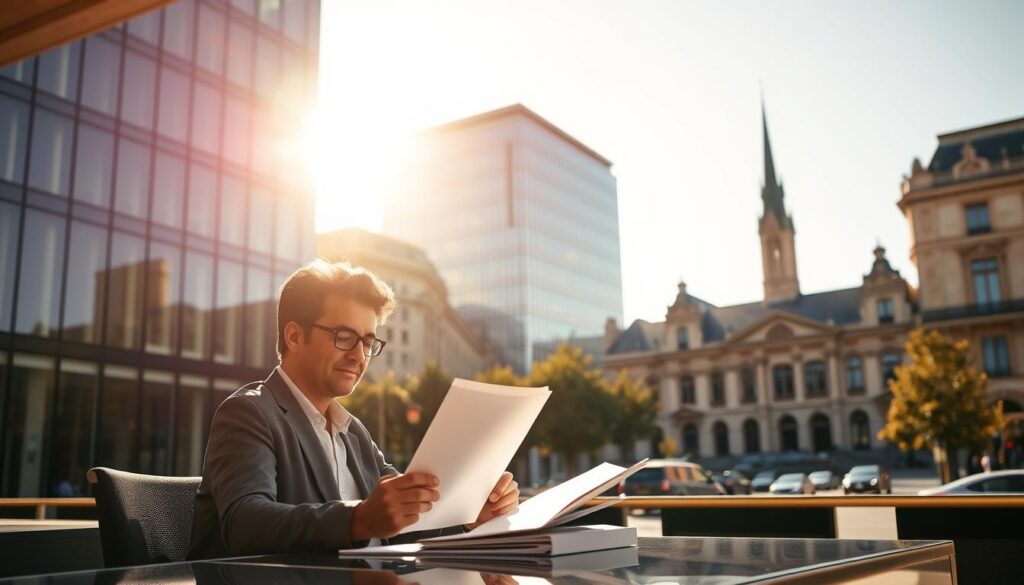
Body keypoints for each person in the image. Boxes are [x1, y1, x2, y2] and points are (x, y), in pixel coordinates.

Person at [189, 260, 519, 558]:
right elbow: (245, 524)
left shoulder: (354, 432)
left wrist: (470, 517)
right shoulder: (249, 413)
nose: (359, 356)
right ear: (294, 335)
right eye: (344, 337)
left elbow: (407, 516)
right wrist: (358, 520)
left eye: (367, 341)